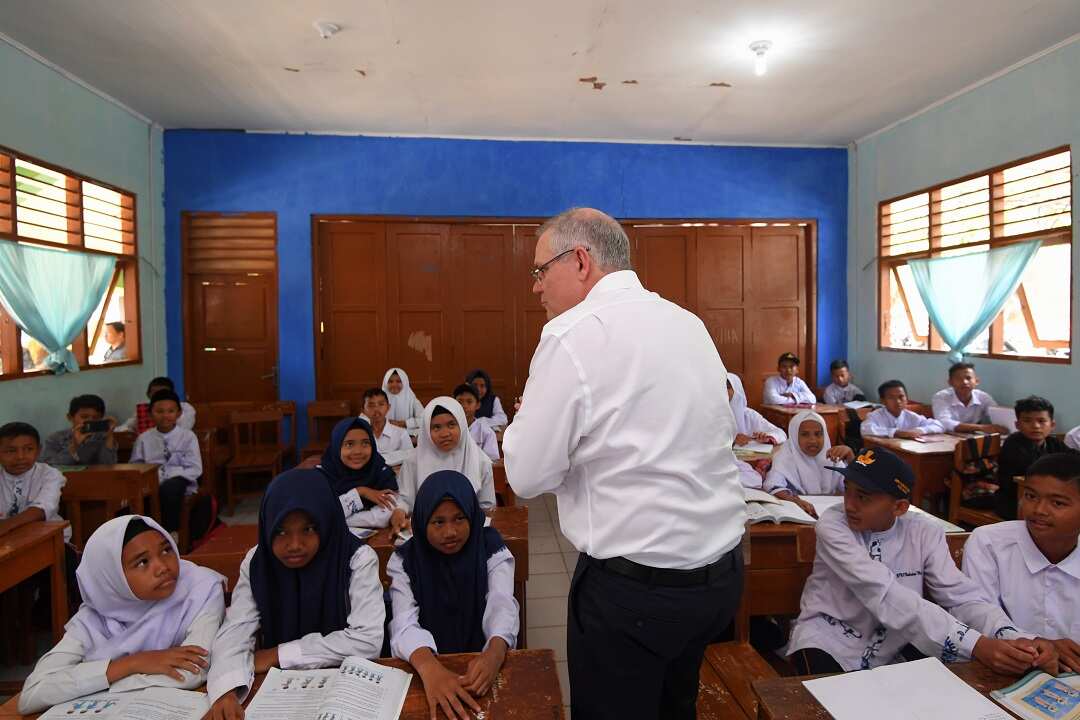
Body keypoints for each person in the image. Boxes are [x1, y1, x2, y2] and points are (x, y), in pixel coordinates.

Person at [504, 208, 745, 720]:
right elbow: (702, 432)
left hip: (638, 594)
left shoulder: (572, 335)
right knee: (675, 707)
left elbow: (526, 476)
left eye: (540, 270)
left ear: (581, 261)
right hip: (718, 576)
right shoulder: (688, 322)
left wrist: (542, 435)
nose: (535, 288)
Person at [786, 447, 1057, 675]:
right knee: (827, 703)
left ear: (899, 507)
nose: (849, 504)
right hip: (829, 638)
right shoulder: (834, 525)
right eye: (848, 490)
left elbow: (960, 596)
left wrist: (1015, 637)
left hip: (894, 642)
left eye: (863, 497)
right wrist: (976, 645)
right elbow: (883, 594)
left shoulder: (925, 531)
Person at [205, 470, 384, 720]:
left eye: (308, 529)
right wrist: (226, 690)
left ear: (325, 521)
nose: (295, 544)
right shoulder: (258, 563)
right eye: (280, 531)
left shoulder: (356, 559)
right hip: (279, 693)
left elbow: (367, 640)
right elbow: (236, 630)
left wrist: (278, 655)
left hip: (345, 689)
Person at [18, 516, 225, 714]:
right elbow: (31, 695)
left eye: (166, 550)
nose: (162, 567)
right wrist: (130, 664)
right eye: (143, 562)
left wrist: (94, 681)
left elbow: (192, 673)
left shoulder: (201, 588)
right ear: (112, 578)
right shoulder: (94, 617)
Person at [389, 471, 519, 719]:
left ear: (472, 514)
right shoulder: (405, 559)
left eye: (459, 518)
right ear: (422, 520)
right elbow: (403, 621)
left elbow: (501, 602)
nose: (450, 532)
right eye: (438, 522)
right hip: (423, 664)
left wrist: (495, 651)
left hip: (482, 661)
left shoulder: (491, 547)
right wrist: (430, 668)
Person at [963, 453, 1080, 672]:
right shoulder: (988, 542)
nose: (1039, 510)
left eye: (1057, 503)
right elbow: (975, 609)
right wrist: (1033, 642)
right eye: (1031, 496)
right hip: (1005, 670)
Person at [392, 398, 495, 534]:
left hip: (469, 530)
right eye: (436, 427)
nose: (445, 434)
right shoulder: (413, 461)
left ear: (462, 425)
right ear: (427, 431)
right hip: (426, 530)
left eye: (451, 425)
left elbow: (487, 507)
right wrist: (399, 511)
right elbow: (406, 499)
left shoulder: (481, 461)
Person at [129, 390, 202, 533]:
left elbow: (195, 468)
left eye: (170, 411)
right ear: (150, 414)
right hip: (151, 481)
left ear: (179, 414)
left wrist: (172, 475)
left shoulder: (188, 436)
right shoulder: (143, 438)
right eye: (159, 411)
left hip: (180, 479)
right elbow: (135, 466)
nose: (165, 416)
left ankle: (171, 533)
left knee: (169, 490)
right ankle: (145, 534)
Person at [995, 396, 1076, 520]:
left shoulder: (1053, 442)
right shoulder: (1013, 444)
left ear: (1052, 424)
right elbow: (1033, 471)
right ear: (1017, 425)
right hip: (1015, 500)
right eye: (1027, 421)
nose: (1036, 426)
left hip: (1048, 498)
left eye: (1041, 421)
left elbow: (1073, 458)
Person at [764, 411, 854, 517]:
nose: (813, 440)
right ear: (794, 436)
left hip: (829, 513)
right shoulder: (784, 458)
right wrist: (794, 500)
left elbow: (854, 487)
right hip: (798, 513)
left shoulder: (832, 458)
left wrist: (851, 458)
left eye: (818, 434)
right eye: (805, 434)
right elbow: (773, 486)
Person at [318, 417, 399, 530]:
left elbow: (384, 514)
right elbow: (321, 514)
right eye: (349, 444)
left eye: (365, 443)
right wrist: (360, 492)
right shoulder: (322, 476)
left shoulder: (380, 471)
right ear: (336, 447)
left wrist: (340, 517)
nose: (358, 451)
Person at [0, 422, 69, 542]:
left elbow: (41, 510)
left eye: (28, 449)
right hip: (6, 541)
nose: (20, 456)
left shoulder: (50, 475)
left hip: (49, 539)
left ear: (38, 450)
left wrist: (6, 525)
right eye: (11, 451)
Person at [41, 394, 118, 466]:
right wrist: (74, 446)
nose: (90, 421)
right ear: (70, 417)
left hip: (95, 479)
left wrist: (109, 436)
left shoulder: (102, 437)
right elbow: (47, 465)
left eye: (96, 418)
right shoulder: (55, 438)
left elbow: (109, 465)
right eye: (84, 417)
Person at [931, 362, 1006, 434]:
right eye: (958, 378)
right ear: (950, 382)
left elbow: (998, 416)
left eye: (968, 378)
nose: (964, 382)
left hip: (972, 437)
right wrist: (981, 427)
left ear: (976, 381)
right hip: (946, 436)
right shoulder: (941, 397)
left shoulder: (983, 397)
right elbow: (944, 422)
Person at [861, 380, 944, 438]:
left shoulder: (911, 416)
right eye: (891, 397)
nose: (898, 401)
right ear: (882, 401)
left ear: (907, 398)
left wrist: (920, 430)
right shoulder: (875, 416)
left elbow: (939, 425)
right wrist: (896, 433)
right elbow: (865, 429)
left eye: (901, 397)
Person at [118, 377, 197, 434]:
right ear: (148, 395)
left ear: (172, 393)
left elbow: (183, 429)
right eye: (155, 394)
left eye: (164, 393)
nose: (160, 397)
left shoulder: (185, 408)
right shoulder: (145, 410)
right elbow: (126, 427)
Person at [728, 374, 786, 445]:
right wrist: (733, 441)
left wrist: (767, 437)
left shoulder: (748, 414)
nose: (723, 391)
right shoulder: (712, 415)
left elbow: (781, 434)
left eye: (728, 387)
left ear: (736, 389)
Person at [359, 388, 412, 457]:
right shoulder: (359, 434)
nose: (376, 409)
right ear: (363, 410)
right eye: (371, 405)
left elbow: (410, 460)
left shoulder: (401, 434)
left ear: (388, 407)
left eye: (381, 404)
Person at [453, 383, 500, 461]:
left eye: (469, 402)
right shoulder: (448, 429)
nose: (464, 406)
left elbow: (492, 462)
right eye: (460, 401)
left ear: (478, 405)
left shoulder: (487, 432)